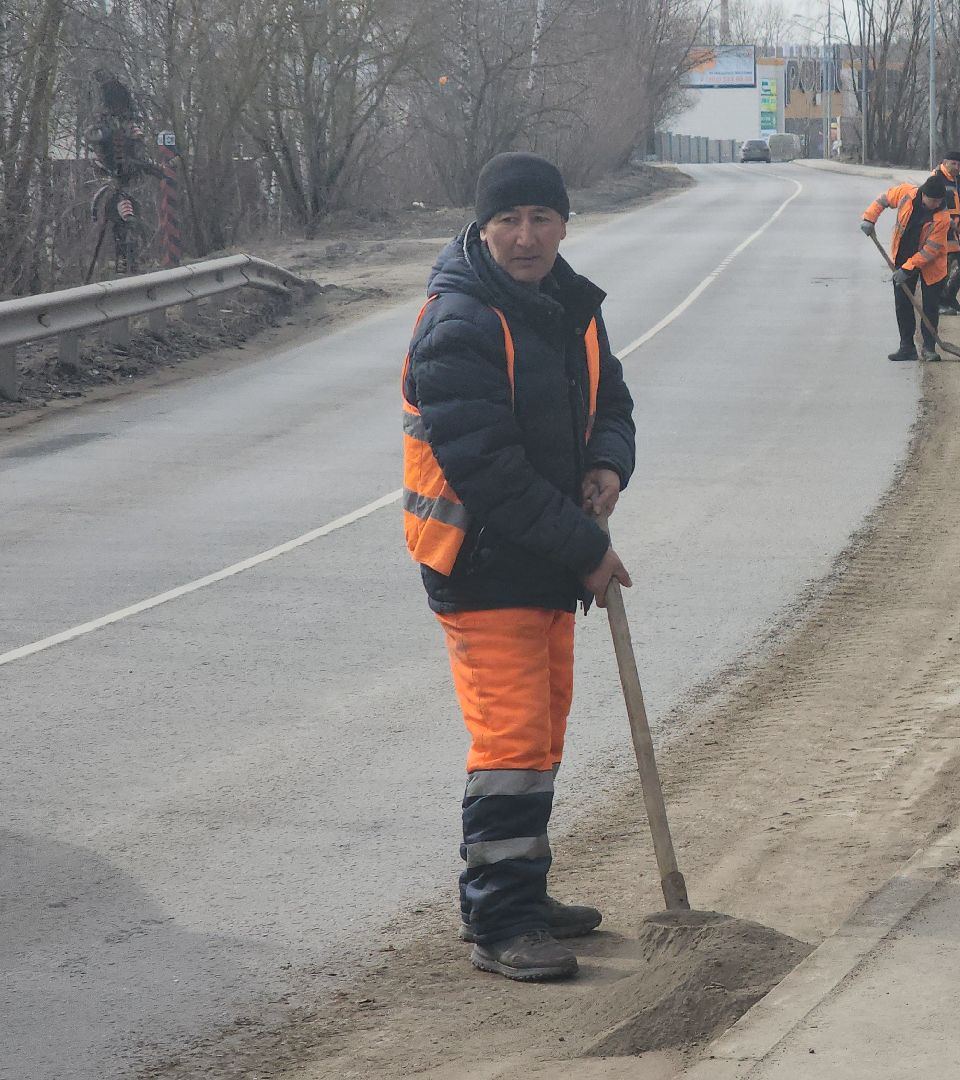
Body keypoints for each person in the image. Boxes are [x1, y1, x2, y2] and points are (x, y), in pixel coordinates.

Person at [402, 151, 637, 982]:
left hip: (540, 559)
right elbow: (489, 471)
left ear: (565, 224)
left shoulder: (569, 304)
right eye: (509, 220)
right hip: (480, 561)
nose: (525, 236)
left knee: (543, 735)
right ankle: (499, 925)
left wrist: (608, 464)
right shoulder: (459, 321)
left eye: (542, 218)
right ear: (482, 225)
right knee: (510, 744)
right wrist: (588, 548)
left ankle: (523, 894)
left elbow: (610, 399)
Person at [859, 173, 957, 361]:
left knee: (930, 307)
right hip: (903, 255)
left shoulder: (942, 217)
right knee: (903, 303)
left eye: (940, 201)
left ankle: (929, 348)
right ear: (924, 195)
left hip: (931, 265)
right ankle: (907, 347)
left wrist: (907, 269)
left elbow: (930, 251)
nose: (937, 204)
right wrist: (869, 218)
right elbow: (884, 198)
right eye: (934, 200)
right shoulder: (906, 193)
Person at [935, 152, 960, 315]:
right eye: (953, 164)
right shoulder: (936, 180)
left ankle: (950, 297)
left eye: (959, 165)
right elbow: (933, 205)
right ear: (945, 163)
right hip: (944, 233)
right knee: (942, 270)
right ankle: (938, 302)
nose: (956, 167)